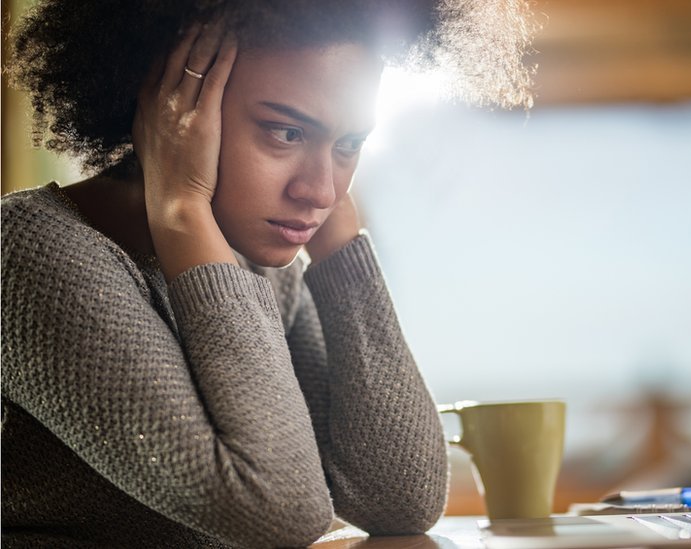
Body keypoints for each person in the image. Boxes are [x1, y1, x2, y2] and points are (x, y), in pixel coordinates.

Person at [1, 1, 535, 547]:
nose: (321, 191)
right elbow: (280, 511)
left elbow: (400, 499)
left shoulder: (254, 265)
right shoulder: (29, 250)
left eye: (348, 145)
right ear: (171, 109)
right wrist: (183, 208)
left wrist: (341, 250)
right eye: (286, 133)